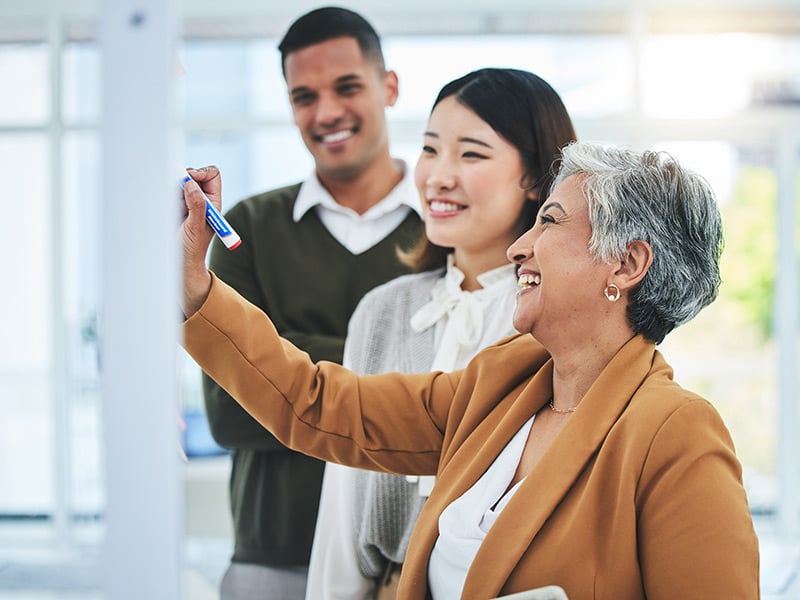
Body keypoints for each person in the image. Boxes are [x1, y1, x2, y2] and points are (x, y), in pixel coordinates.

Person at [180, 142, 760, 599]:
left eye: (550, 223)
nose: (518, 247)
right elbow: (315, 404)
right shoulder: (501, 384)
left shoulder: (677, 434)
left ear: (628, 264)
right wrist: (196, 288)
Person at [306, 68, 577, 600]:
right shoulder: (382, 311)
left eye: (471, 154)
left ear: (535, 179)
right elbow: (340, 510)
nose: (438, 176)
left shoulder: (561, 321)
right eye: (430, 149)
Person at [200, 7, 422, 599]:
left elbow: (467, 385)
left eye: (347, 87)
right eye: (304, 96)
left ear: (389, 87)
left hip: (409, 554)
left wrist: (279, 352)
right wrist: (405, 371)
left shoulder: (445, 230)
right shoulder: (245, 226)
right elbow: (227, 407)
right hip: (275, 557)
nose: (326, 113)